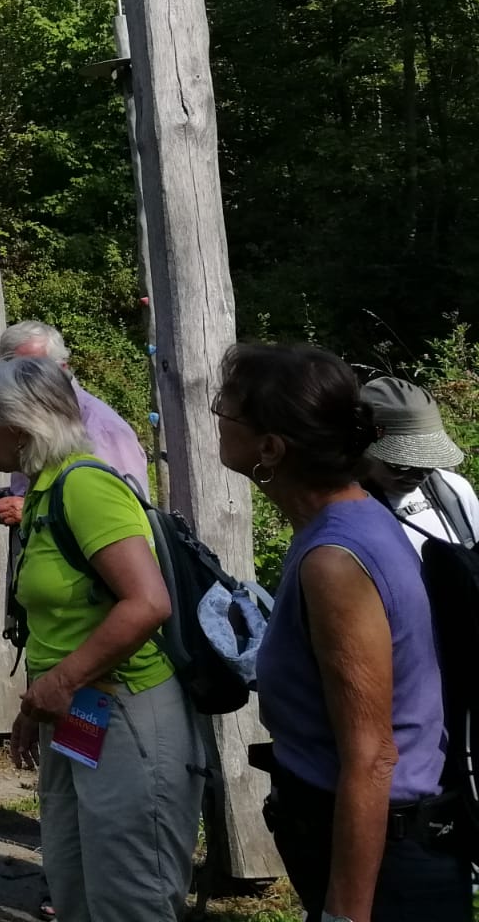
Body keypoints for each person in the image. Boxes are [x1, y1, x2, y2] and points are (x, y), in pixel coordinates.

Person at [213, 343, 466, 921]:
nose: (217, 424)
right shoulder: (349, 519)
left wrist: (345, 915)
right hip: (364, 849)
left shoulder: (336, 561)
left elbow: (373, 756)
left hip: (383, 871)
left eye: (223, 412)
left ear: (270, 448)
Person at [0, 355, 199, 922]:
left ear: (17, 426)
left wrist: (61, 683)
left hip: (127, 709)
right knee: (74, 880)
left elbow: (147, 603)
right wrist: (38, 704)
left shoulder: (85, 487)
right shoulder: (44, 489)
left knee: (129, 893)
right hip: (81, 711)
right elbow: (63, 622)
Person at [0, 321, 148, 530]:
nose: (22, 382)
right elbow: (55, 490)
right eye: (13, 373)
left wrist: (31, 511)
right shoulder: (31, 420)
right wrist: (4, 500)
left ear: (62, 368)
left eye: (33, 371)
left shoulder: (102, 428)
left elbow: (125, 518)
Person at [357, 375, 479, 553]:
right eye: (401, 465)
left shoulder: (453, 489)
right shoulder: (347, 512)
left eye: (429, 461)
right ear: (363, 446)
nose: (420, 474)